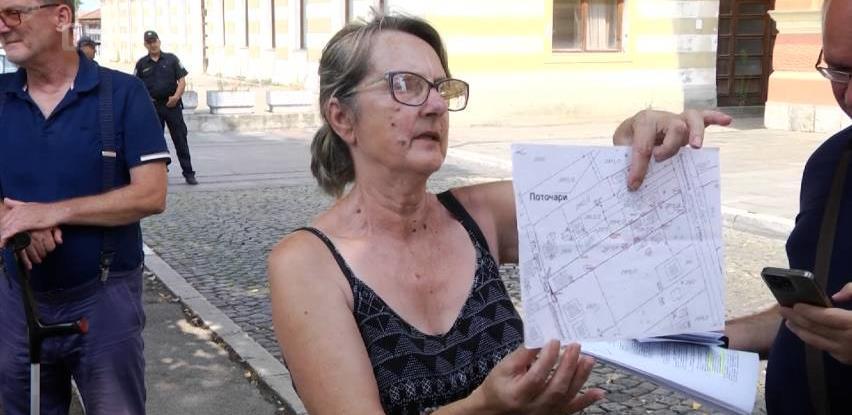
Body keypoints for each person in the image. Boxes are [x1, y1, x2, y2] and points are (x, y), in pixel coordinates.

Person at [267, 13, 731, 415]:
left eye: (441, 88)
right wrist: (484, 408)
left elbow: (612, 209)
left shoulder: (479, 215)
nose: (435, 105)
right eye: (405, 85)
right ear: (342, 117)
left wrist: (639, 140)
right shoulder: (307, 265)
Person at [0, 0, 170, 413]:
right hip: (16, 300)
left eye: (13, 13)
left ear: (61, 17)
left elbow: (151, 194)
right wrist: (11, 219)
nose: (2, 27)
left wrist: (51, 212)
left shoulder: (123, 93)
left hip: (105, 299)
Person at [725, 0, 852, 414]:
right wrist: (703, 339)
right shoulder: (830, 163)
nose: (850, 95)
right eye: (840, 71)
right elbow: (811, 316)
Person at [135, 30, 197, 185]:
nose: (153, 44)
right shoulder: (142, 64)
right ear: (145, 45)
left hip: (172, 105)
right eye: (149, 42)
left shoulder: (171, 59)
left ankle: (188, 173)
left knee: (180, 139)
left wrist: (176, 97)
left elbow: (182, 81)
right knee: (155, 142)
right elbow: (136, 85)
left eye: (154, 41)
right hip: (153, 107)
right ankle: (162, 170)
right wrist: (146, 100)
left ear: (159, 41)